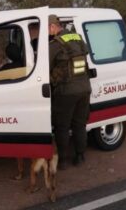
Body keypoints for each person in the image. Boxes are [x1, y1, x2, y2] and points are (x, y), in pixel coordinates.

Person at [48, 14, 92, 169]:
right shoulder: (78, 38)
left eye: (48, 29)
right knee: (80, 124)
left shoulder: (55, 44)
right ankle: (80, 156)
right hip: (85, 88)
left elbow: (45, 66)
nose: (48, 32)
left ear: (53, 26)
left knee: (62, 126)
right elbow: (85, 55)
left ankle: (63, 161)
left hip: (66, 91)